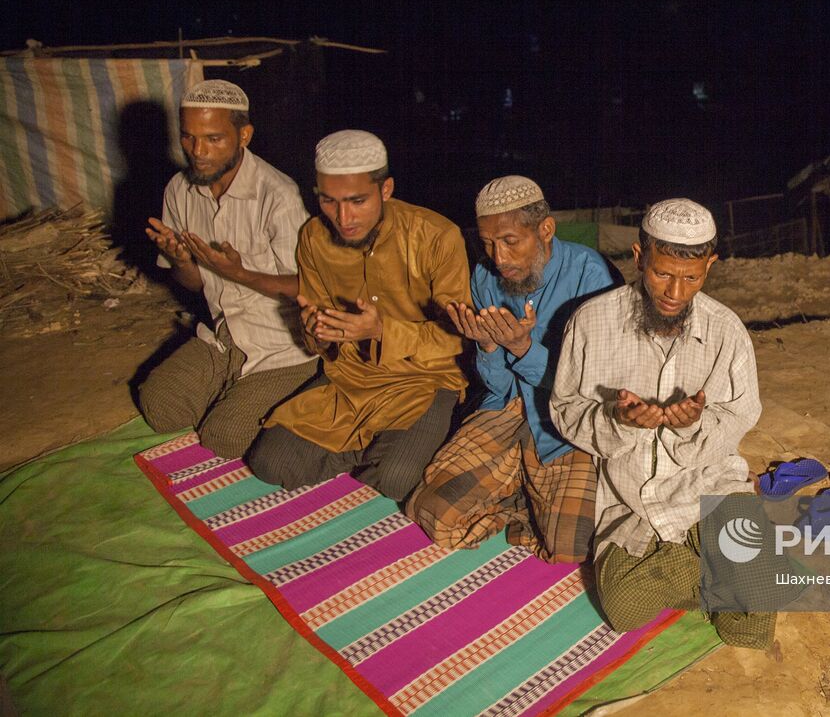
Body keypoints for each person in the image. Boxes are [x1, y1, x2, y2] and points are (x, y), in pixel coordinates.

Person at [550, 199, 779, 648]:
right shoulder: (591, 322)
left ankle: (739, 572)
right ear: (639, 258)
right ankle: (736, 571)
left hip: (706, 483)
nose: (675, 291)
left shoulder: (726, 331)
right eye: (661, 273)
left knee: (751, 630)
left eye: (691, 278)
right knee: (625, 609)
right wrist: (618, 420)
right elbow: (565, 409)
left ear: (710, 266)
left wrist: (693, 425)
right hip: (628, 499)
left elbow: (739, 415)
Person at [245, 131, 468, 501]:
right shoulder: (314, 237)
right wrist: (320, 333)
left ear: (386, 189)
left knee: (396, 479)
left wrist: (382, 330)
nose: (343, 218)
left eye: (357, 201)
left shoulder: (437, 236)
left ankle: (387, 452)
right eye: (329, 202)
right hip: (351, 382)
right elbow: (315, 334)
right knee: (270, 462)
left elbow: (456, 339)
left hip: (424, 381)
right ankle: (377, 450)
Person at [407, 176, 618, 563]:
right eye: (487, 243)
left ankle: (527, 501)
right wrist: (488, 346)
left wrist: (524, 349)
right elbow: (495, 385)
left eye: (509, 241)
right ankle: (525, 498)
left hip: (566, 423)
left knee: (573, 546)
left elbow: (596, 387)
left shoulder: (592, 276)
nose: (499, 257)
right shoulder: (485, 278)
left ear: (545, 230)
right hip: (508, 412)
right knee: (433, 515)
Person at [139, 79, 317, 457]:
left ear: (244, 135)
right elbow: (190, 284)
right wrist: (181, 261)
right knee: (160, 406)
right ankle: (236, 390)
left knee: (224, 437)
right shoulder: (179, 189)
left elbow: (309, 285)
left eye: (214, 139)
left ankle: (308, 386)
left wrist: (241, 274)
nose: (198, 151)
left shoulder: (277, 195)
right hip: (225, 336)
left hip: (284, 347)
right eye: (188, 138)